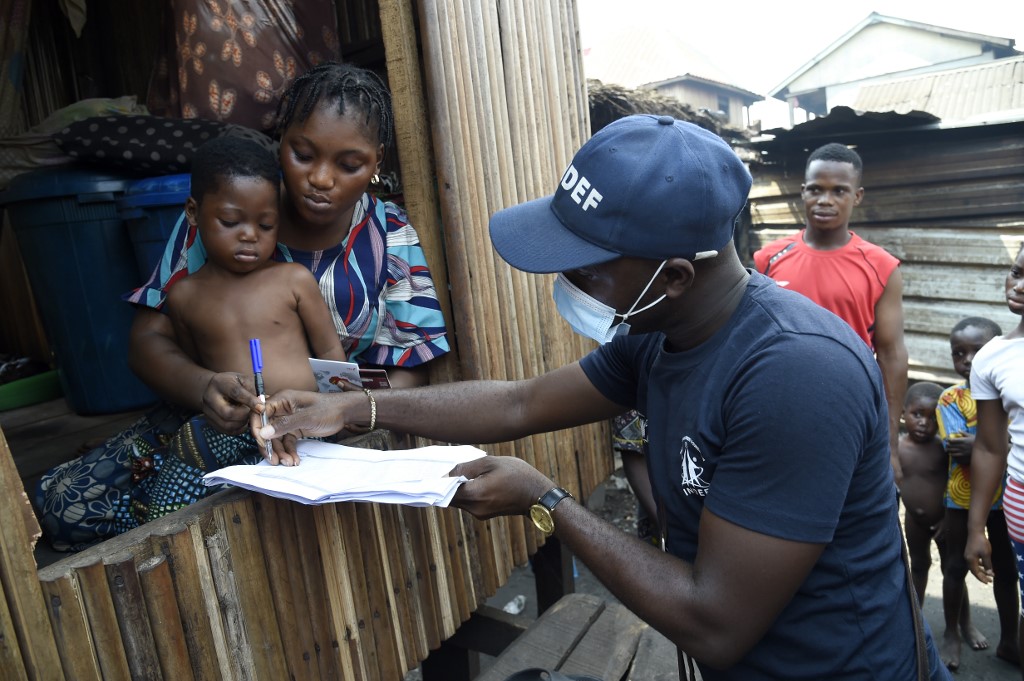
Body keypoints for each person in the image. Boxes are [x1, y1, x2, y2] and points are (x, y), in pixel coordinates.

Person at [254, 115, 949, 679]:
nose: (564, 280)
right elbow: (522, 403)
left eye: (585, 268)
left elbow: (716, 621)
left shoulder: (794, 376)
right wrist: (355, 407)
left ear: (675, 275)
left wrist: (548, 502)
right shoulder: (664, 328)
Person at [34, 61, 450, 551]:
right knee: (60, 510)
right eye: (302, 153)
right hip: (211, 421)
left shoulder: (389, 235)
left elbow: (414, 366)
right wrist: (204, 385)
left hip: (331, 434)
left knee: (241, 529)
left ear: (376, 161)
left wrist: (345, 414)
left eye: (349, 164)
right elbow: (147, 342)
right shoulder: (228, 207)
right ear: (280, 140)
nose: (320, 178)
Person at [752, 143, 908, 484]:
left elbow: (892, 355)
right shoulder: (768, 260)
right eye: (815, 189)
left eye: (839, 191)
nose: (825, 200)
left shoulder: (880, 266)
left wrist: (890, 443)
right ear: (803, 192)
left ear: (858, 196)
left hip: (849, 411)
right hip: (779, 408)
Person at [936, 316, 1018, 670]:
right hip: (962, 496)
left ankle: (1011, 639)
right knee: (955, 565)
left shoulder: (1009, 386)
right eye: (959, 353)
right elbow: (960, 447)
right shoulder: (950, 398)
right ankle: (951, 632)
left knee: (1006, 570)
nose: (967, 360)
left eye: (976, 352)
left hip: (1005, 498)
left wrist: (989, 442)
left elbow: (991, 444)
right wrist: (996, 441)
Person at [965, 243, 1024, 680]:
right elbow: (988, 447)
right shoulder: (992, 357)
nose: (1018, 286)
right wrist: (976, 528)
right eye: (1016, 271)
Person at [899, 381, 949, 601]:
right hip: (914, 520)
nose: (924, 423)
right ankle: (916, 616)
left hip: (945, 521)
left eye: (932, 418)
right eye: (917, 414)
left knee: (952, 570)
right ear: (903, 413)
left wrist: (949, 517)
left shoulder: (943, 448)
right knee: (918, 565)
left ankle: (960, 624)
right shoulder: (896, 448)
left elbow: (955, 483)